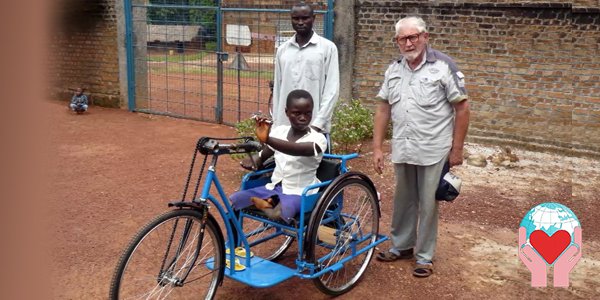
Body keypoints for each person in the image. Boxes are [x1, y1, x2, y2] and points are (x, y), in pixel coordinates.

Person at [372, 16, 470, 278]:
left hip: (433, 148)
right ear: (397, 42)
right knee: (403, 200)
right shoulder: (393, 69)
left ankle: (424, 256)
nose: (408, 42)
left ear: (425, 37)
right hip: (403, 147)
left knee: (428, 203)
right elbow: (383, 108)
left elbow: (462, 108)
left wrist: (457, 149)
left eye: (413, 36)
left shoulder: (443, 66)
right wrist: (378, 147)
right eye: (403, 38)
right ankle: (401, 246)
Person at [230, 89, 327, 224]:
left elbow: (298, 149)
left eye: (308, 113)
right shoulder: (280, 132)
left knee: (278, 215)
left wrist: (268, 140)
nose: (303, 117)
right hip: (274, 187)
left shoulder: (318, 139)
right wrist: (254, 160)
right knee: (237, 200)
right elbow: (263, 155)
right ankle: (232, 244)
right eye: (297, 113)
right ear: (287, 112)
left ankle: (266, 205)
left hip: (299, 192)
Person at [272, 2, 339, 135]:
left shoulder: (327, 48)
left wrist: (317, 124)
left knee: (315, 156)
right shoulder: (282, 50)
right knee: (283, 156)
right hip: (285, 127)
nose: (300, 22)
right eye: (296, 19)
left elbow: (332, 90)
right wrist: (277, 124)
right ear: (291, 19)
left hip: (314, 127)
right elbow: (278, 90)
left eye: (305, 18)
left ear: (313, 19)